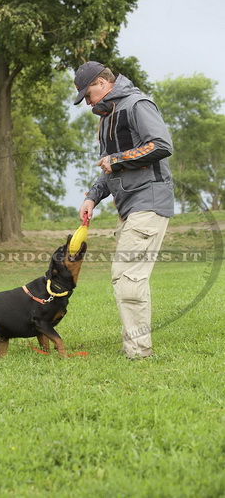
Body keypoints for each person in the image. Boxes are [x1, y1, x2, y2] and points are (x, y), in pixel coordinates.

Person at [74, 61, 174, 359]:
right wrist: (92, 197)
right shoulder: (107, 118)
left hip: (149, 201)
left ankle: (139, 353)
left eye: (87, 94)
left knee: (127, 275)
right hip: (130, 208)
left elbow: (162, 145)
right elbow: (109, 169)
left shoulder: (136, 104)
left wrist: (117, 159)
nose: (87, 101)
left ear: (102, 84)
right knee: (128, 276)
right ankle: (137, 347)